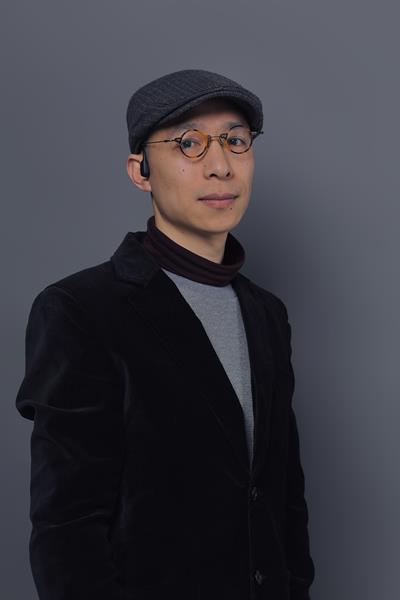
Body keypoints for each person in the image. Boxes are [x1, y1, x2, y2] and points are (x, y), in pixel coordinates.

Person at [15, 68, 315, 600]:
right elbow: (67, 531)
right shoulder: (81, 311)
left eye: (236, 140)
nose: (220, 165)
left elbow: (282, 499)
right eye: (189, 143)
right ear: (141, 171)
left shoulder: (266, 313)